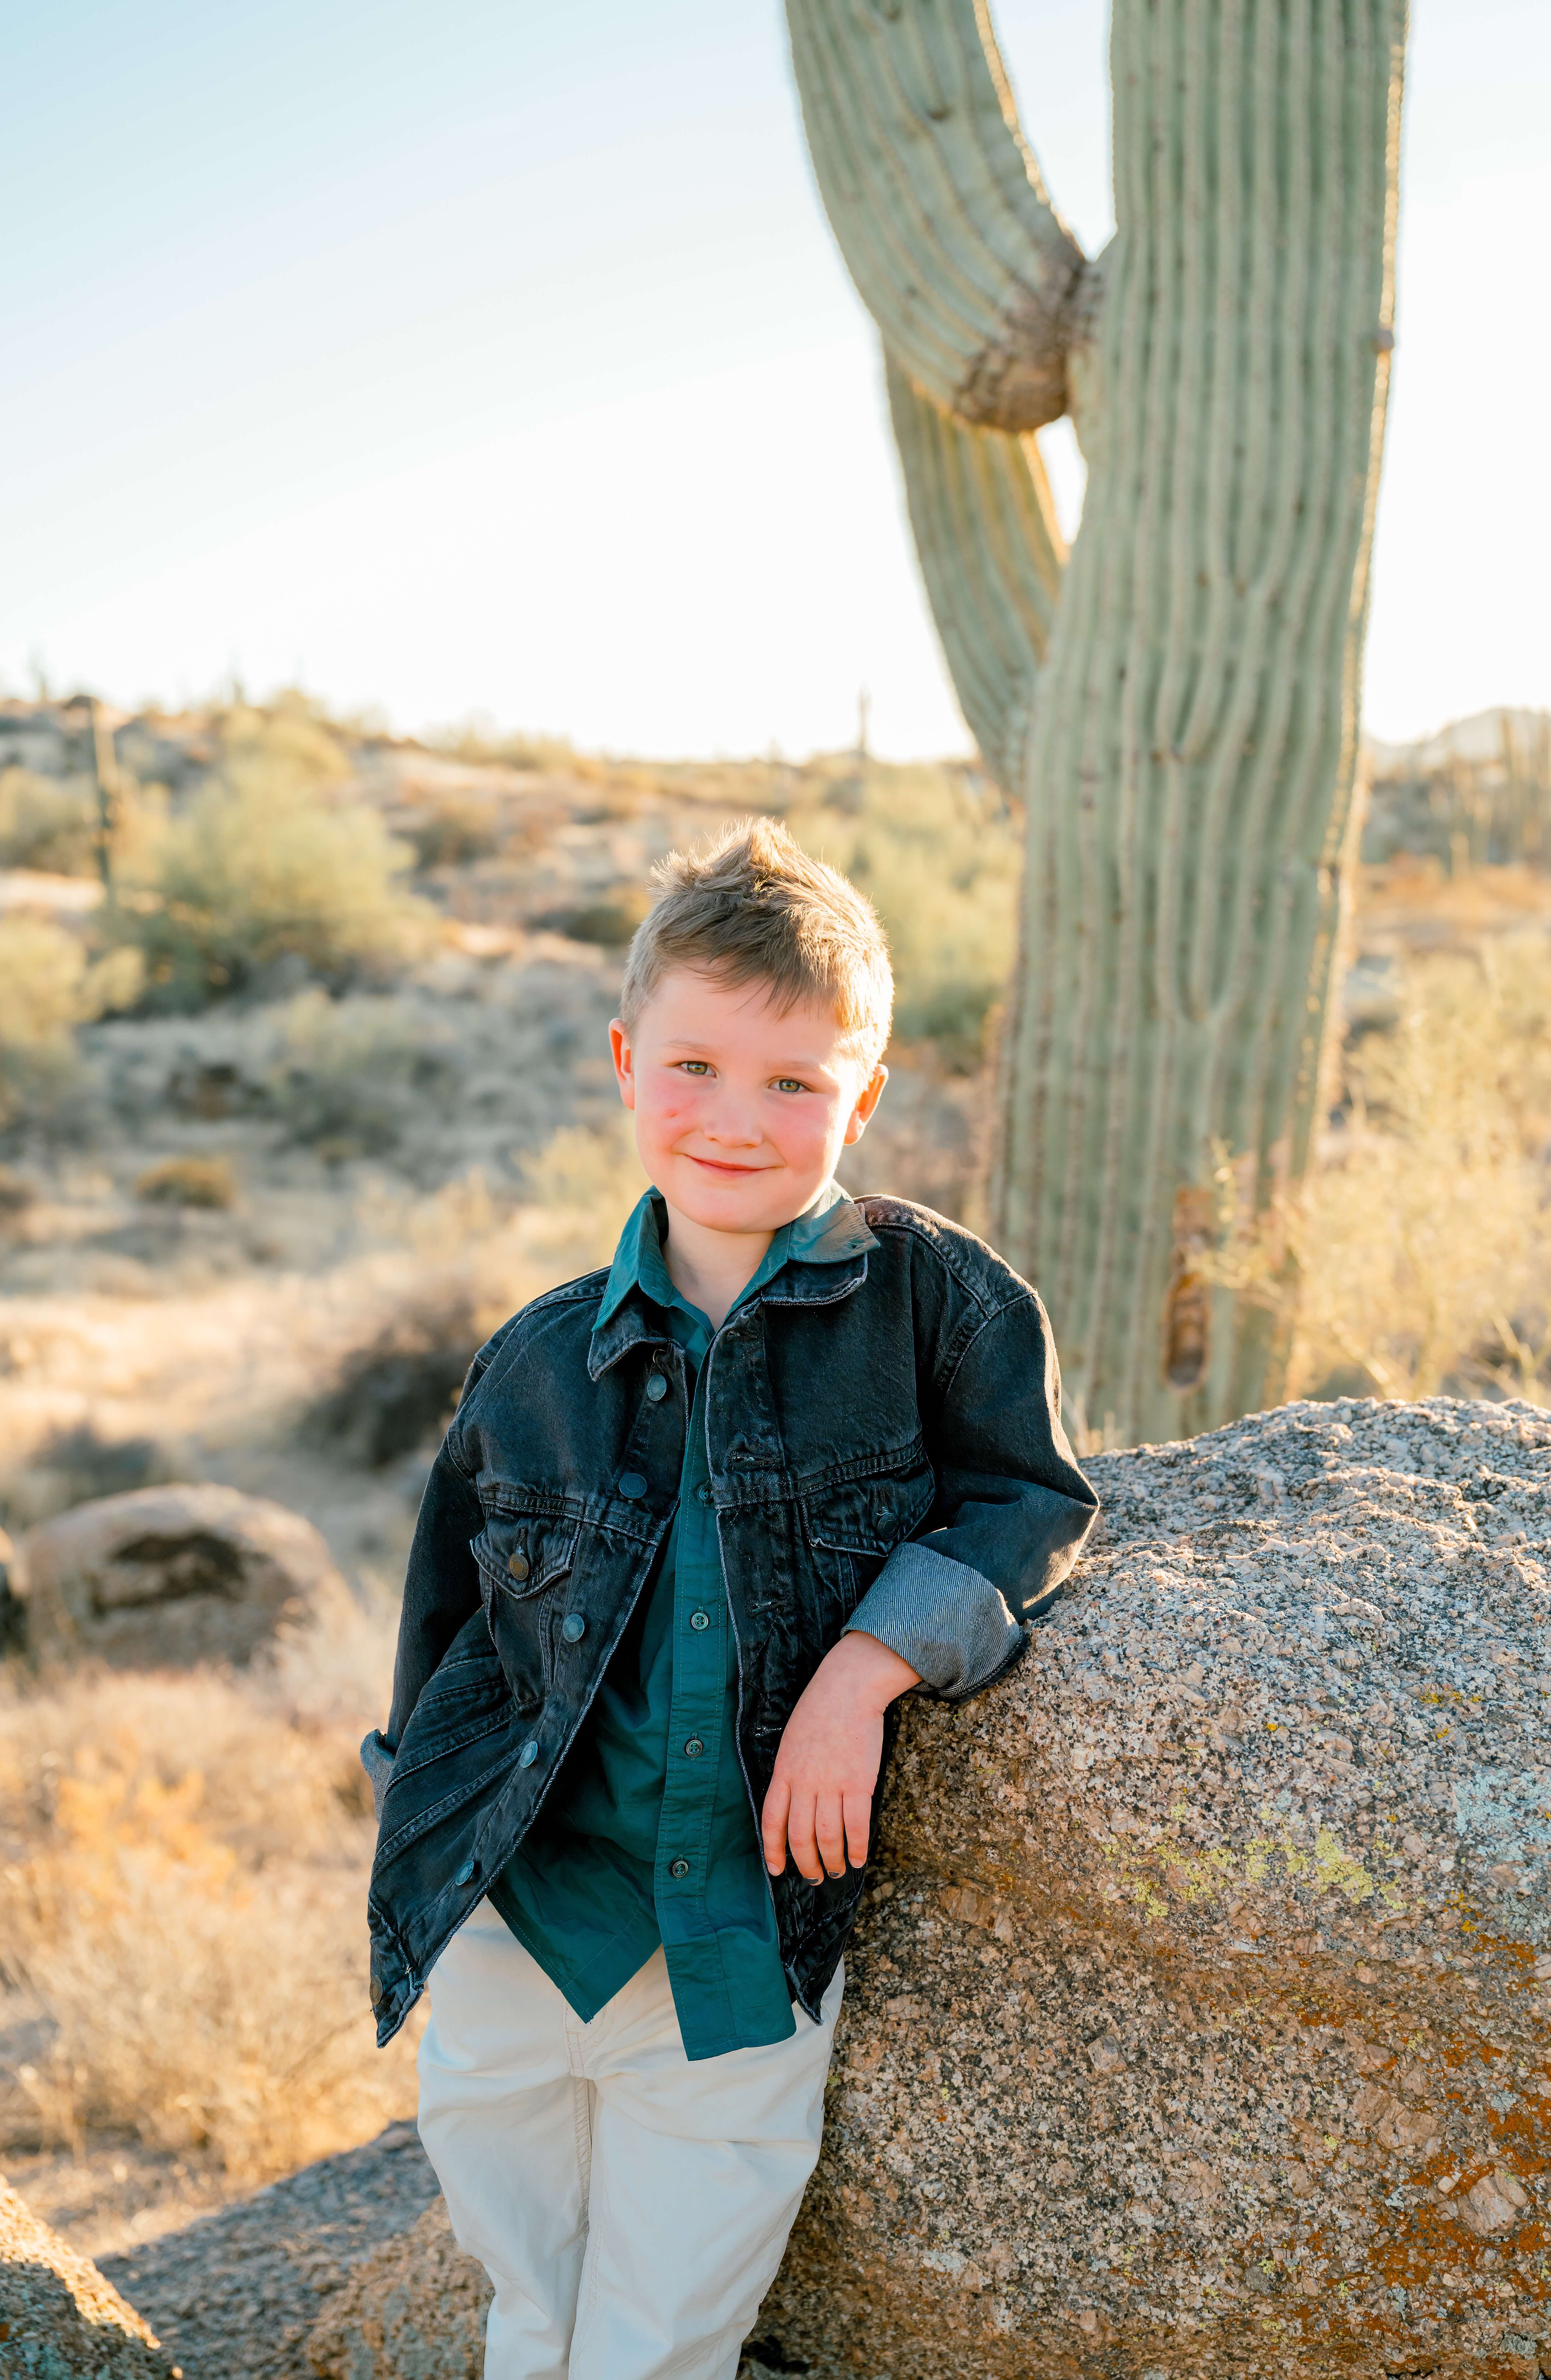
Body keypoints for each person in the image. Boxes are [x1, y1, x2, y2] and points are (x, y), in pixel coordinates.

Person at [361, 816, 1098, 2380]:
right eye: (693, 1067)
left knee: (659, 2336)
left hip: (739, 1936)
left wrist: (864, 1674)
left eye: (792, 1083)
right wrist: (420, 1842)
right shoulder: (540, 1357)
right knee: (524, 2302)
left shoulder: (932, 1300)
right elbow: (446, 1631)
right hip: (524, 1917)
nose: (733, 1120)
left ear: (864, 1097)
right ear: (628, 1062)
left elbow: (1030, 1499)